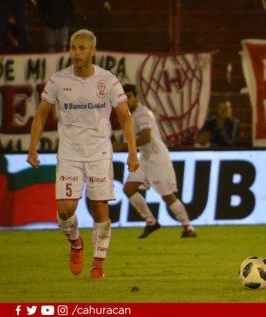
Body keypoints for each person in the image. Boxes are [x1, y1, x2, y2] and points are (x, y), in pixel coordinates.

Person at [27, 29, 139, 279]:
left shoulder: (108, 80)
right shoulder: (58, 80)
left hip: (99, 152)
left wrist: (132, 152)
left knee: (99, 207)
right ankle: (76, 244)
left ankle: (98, 263)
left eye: (81, 48)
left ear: (92, 51)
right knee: (66, 210)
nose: (76, 53)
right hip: (69, 154)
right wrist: (32, 147)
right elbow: (42, 114)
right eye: (73, 47)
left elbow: (125, 118)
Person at [113, 84, 196, 239]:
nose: (126, 100)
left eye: (129, 96)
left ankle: (188, 227)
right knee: (129, 189)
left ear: (136, 97)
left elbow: (146, 137)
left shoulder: (143, 114)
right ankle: (151, 222)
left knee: (167, 196)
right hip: (145, 157)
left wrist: (123, 146)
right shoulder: (128, 114)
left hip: (157, 158)